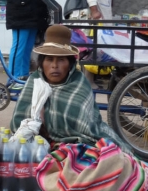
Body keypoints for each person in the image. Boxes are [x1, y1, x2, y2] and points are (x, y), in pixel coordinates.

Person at [10, 24, 132, 155]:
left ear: (70, 65)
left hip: (77, 144)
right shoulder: (34, 82)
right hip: (38, 145)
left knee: (110, 156)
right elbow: (17, 124)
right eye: (49, 60)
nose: (54, 66)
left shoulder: (79, 84)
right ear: (41, 63)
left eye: (61, 60)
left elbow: (88, 128)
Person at [64, 0, 115, 88]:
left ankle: (79, 81)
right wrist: (95, 11)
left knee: (78, 48)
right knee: (86, 49)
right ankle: (86, 82)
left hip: (75, 13)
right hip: (85, 14)